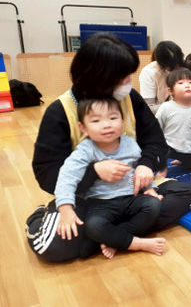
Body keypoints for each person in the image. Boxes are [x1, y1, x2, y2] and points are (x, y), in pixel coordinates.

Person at [26, 33, 191, 262]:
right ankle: (44, 217)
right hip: (89, 199)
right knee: (54, 246)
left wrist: (146, 165)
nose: (128, 82)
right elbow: (46, 173)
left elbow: (155, 140)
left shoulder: (130, 99)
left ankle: (107, 237)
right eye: (122, 77)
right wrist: (95, 172)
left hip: (130, 191)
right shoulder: (60, 112)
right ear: (98, 78)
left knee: (185, 193)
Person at [55, 98, 165, 259]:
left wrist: (150, 189)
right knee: (93, 226)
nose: (106, 124)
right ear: (83, 128)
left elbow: (140, 170)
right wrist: (65, 208)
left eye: (112, 118)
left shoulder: (130, 144)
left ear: (123, 121)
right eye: (96, 120)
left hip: (131, 198)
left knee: (153, 205)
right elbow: (66, 177)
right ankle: (137, 243)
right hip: (101, 203)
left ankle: (115, 240)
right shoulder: (84, 150)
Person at [156, 68, 191, 171]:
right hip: (169, 147)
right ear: (170, 90)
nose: (187, 85)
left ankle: (183, 160)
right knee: (157, 158)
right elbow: (156, 129)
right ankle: (163, 169)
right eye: (181, 83)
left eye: (190, 82)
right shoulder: (165, 107)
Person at [139, 41, 184, 114]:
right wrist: (176, 106)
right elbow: (149, 108)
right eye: (172, 66)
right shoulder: (149, 72)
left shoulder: (183, 66)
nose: (177, 68)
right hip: (160, 116)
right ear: (162, 64)